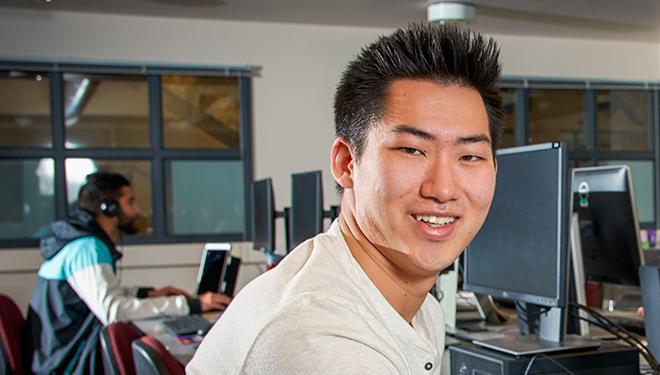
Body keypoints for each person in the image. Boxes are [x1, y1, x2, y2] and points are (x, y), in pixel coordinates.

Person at [188, 23, 502, 374]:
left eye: (470, 156)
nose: (443, 189)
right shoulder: (321, 339)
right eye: (412, 150)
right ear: (346, 163)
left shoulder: (414, 306)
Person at [26, 171, 231, 375]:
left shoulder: (83, 242)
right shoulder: (86, 248)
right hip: (67, 363)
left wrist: (147, 294)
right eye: (130, 202)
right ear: (109, 207)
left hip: (61, 353)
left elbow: (93, 295)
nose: (137, 211)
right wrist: (191, 304)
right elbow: (113, 311)